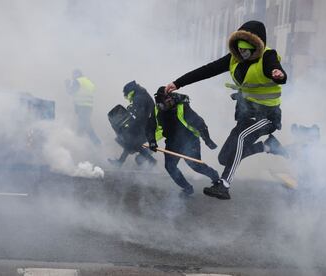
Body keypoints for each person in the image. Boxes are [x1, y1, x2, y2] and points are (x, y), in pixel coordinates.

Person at [164, 20, 287, 200]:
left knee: (241, 137)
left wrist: (279, 75)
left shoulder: (268, 57)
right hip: (248, 114)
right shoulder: (234, 58)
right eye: (240, 49)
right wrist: (178, 83)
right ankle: (268, 146)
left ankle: (224, 185)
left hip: (267, 116)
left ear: (255, 47)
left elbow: (276, 70)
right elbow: (207, 70)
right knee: (224, 158)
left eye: (246, 50)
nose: (242, 53)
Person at [146, 86, 219, 197]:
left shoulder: (182, 107)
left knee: (195, 165)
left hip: (189, 140)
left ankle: (215, 177)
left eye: (166, 102)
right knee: (170, 167)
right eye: (161, 104)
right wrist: (152, 141)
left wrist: (207, 140)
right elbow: (150, 127)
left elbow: (200, 124)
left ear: (170, 98)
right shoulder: (157, 109)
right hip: (172, 142)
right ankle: (187, 188)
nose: (163, 106)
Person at [108, 80, 156, 167]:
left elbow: (139, 115)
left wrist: (130, 124)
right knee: (132, 143)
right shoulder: (140, 94)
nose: (125, 96)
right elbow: (138, 112)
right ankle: (151, 161)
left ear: (130, 91)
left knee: (132, 142)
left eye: (126, 94)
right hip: (145, 123)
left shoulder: (139, 97)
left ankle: (120, 163)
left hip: (144, 125)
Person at [65, 69, 101, 145]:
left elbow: (70, 92)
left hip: (82, 107)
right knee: (85, 126)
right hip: (88, 108)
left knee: (85, 127)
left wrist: (67, 85)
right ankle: (92, 144)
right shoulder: (88, 81)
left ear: (77, 74)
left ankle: (96, 144)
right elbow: (93, 90)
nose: (72, 77)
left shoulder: (77, 81)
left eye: (73, 74)